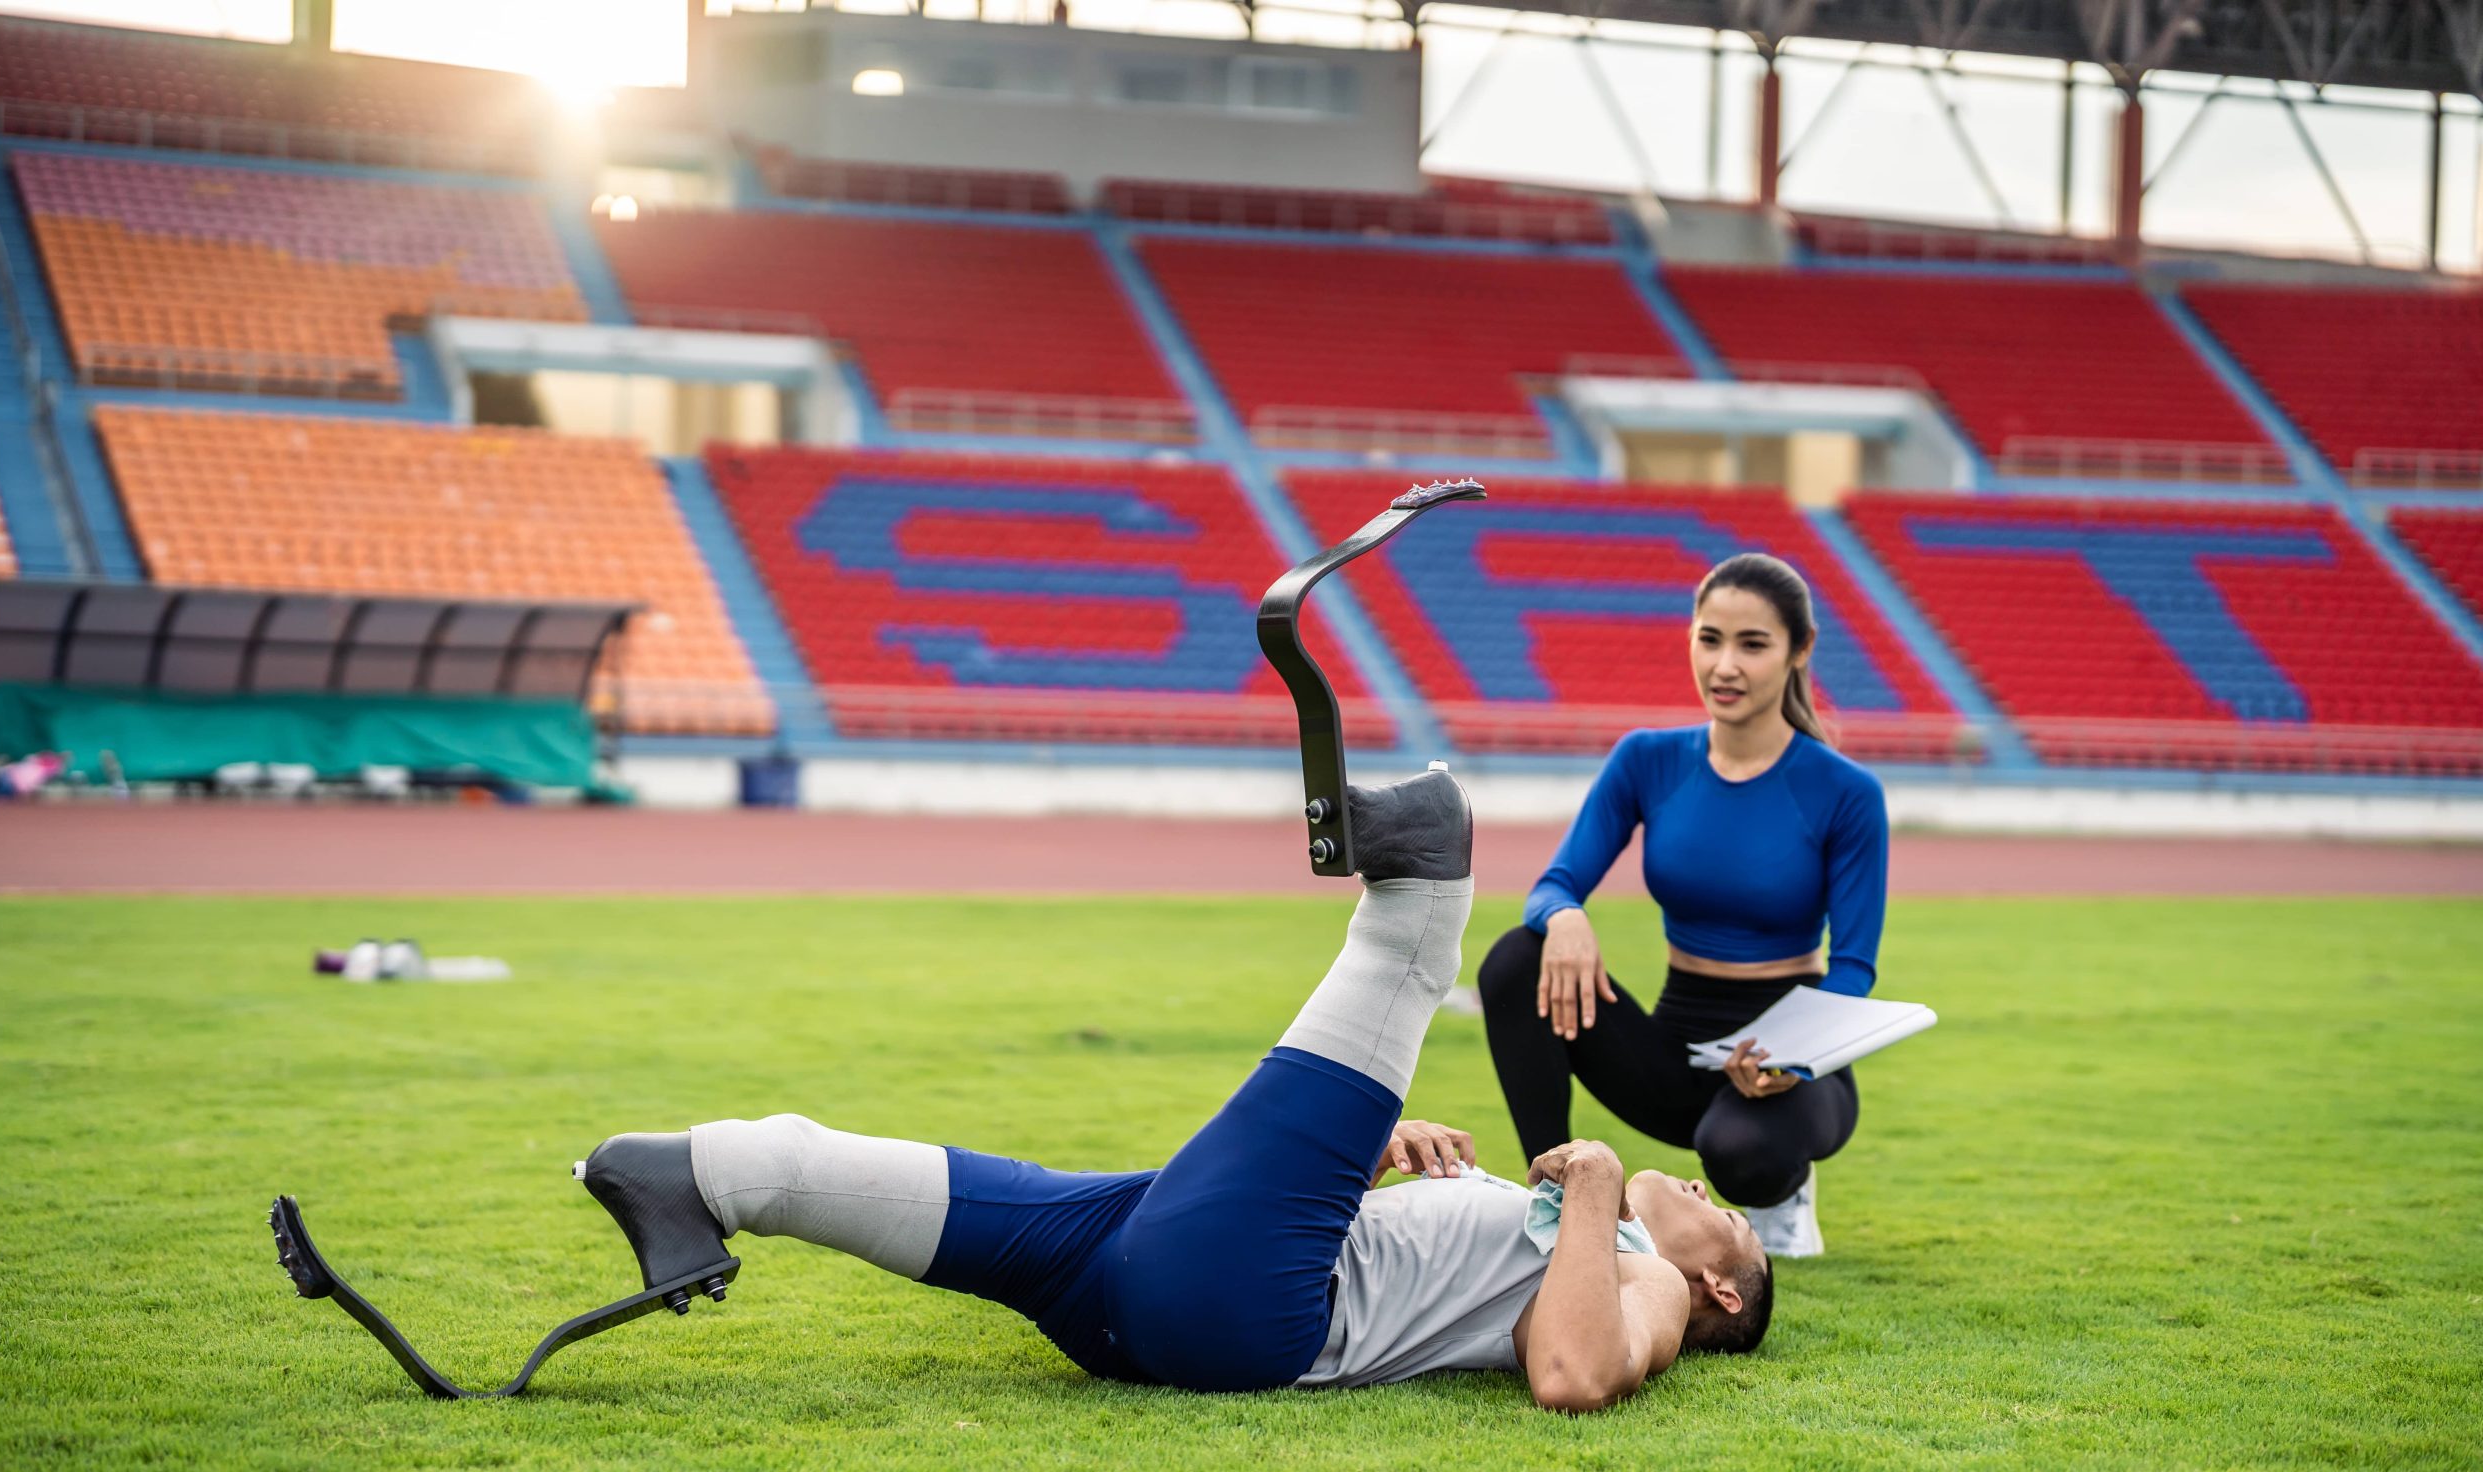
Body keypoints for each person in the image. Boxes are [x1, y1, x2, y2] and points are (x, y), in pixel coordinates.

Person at [576, 769, 1771, 1410]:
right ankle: (699, 1177)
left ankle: (1417, 896)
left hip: (1244, 1309)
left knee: (1395, 967)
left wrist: (1607, 1171)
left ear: (1717, 1274)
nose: (1694, 1184)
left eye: (1716, 1208)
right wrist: (1367, 1156)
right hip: (1181, 1287)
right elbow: (1398, 1275)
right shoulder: (1578, 1241)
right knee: (972, 1193)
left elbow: (1571, 1375)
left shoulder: (1655, 1282)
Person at [1476, 554, 1889, 1259]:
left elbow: (1852, 969)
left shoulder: (1846, 792)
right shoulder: (1647, 759)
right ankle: (1554, 1197)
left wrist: (1795, 1057)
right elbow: (1554, 884)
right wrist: (1566, 917)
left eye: (1752, 644)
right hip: (1674, 1054)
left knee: (1741, 1156)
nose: (1725, 665)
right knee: (1518, 958)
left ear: (1798, 651)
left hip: (1790, 1062)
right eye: (1710, 639)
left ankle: (1786, 1186)